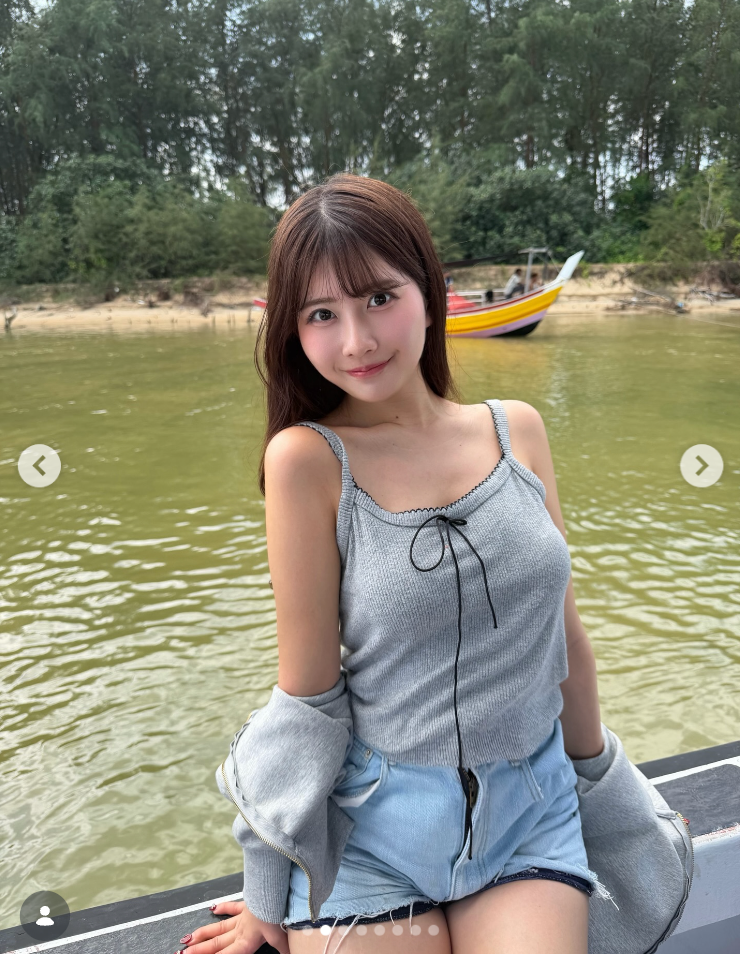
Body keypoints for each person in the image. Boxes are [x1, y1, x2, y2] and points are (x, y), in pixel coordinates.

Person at [191, 174, 605, 954]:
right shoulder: (309, 460)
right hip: (372, 834)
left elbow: (566, 642)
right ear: (293, 329)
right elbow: (307, 698)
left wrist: (617, 803)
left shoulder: (517, 430)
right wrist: (269, 888)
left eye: (379, 297)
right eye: (322, 314)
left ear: (430, 289)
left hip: (529, 818)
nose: (357, 341)